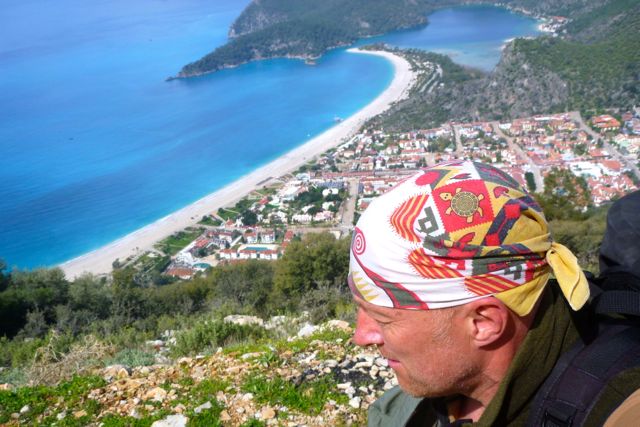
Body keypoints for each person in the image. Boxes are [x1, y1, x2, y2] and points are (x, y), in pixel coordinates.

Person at [348, 160, 640, 426]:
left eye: (382, 319)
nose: (361, 336)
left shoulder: (617, 408)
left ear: (484, 322)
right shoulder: (430, 387)